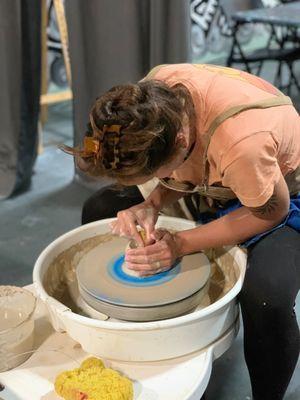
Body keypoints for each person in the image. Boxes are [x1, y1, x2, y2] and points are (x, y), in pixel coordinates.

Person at [62, 64, 300, 400]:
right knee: (100, 208)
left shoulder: (242, 141)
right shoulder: (145, 99)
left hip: (279, 190)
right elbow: (179, 170)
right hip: (212, 177)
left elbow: (271, 211)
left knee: (267, 294)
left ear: (181, 141)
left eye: (149, 174)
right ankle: (124, 333)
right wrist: (152, 203)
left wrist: (180, 244)